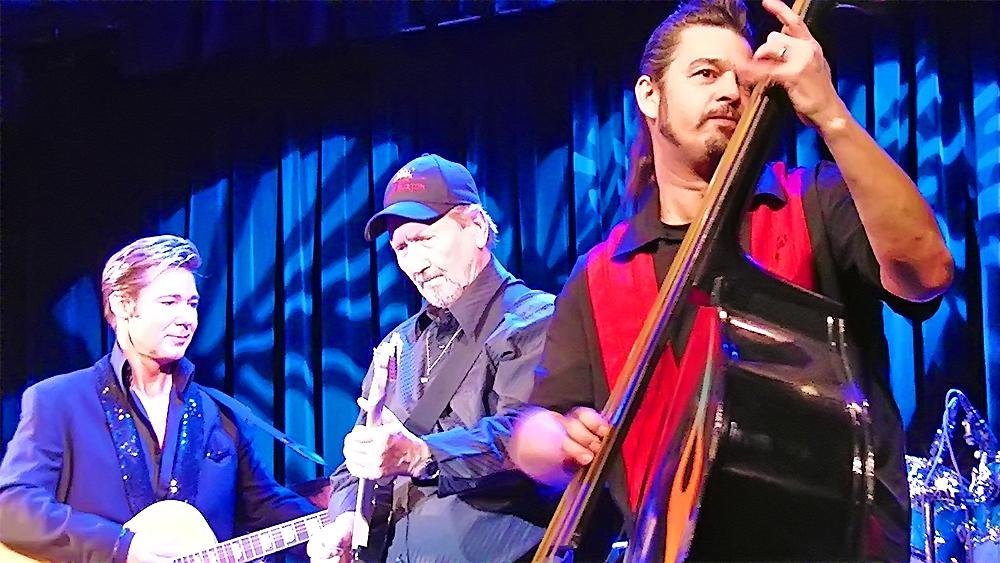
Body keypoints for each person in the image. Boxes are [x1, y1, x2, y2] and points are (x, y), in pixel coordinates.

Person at [510, 0, 953, 560]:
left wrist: (831, 115)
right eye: (706, 73)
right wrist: (553, 439)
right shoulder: (600, 273)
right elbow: (535, 428)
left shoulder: (814, 200)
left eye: (744, 81)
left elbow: (927, 273)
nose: (729, 92)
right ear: (650, 95)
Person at [0, 235, 318, 562]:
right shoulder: (58, 400)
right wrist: (122, 547)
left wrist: (337, 522)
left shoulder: (223, 415)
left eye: (192, 304)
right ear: (123, 305)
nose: (187, 318)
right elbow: (11, 506)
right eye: (169, 302)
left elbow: (267, 506)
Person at [307, 154, 555, 562]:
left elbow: (528, 438)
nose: (415, 265)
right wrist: (347, 518)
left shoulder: (535, 320)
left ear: (476, 227)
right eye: (401, 248)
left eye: (424, 239)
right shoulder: (396, 346)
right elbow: (355, 464)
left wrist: (421, 454)